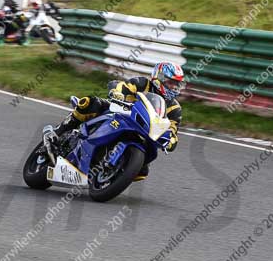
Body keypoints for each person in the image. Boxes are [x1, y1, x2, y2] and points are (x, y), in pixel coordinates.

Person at [52, 61, 184, 179]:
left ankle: (114, 170)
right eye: (171, 82)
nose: (173, 87)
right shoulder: (142, 83)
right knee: (89, 103)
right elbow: (123, 86)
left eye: (176, 84)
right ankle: (58, 131)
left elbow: (173, 130)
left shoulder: (175, 108)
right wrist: (118, 93)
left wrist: (170, 141)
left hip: (144, 130)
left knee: (142, 171)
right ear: (160, 78)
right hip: (120, 112)